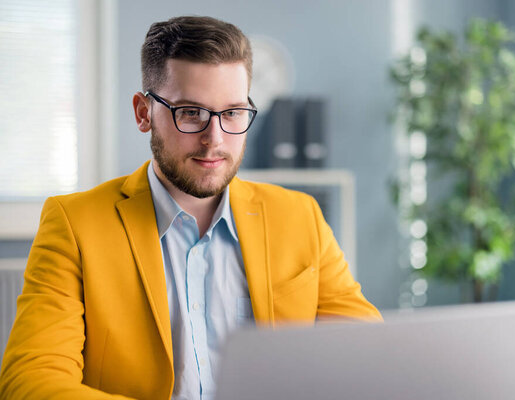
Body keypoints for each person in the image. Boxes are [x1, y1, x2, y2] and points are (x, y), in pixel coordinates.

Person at [0, 16, 381, 400]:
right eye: (191, 113)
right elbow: (31, 382)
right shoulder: (75, 224)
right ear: (143, 113)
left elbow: (368, 355)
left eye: (232, 113)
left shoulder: (300, 216)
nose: (213, 140)